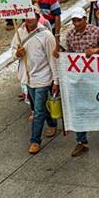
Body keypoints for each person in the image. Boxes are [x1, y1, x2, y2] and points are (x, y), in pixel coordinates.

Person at [61, 6, 99, 157]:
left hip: (96, 75)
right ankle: (81, 141)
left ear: (85, 19)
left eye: (78, 20)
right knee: (79, 107)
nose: (76, 23)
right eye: (74, 20)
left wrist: (96, 51)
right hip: (79, 77)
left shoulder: (96, 31)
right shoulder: (70, 35)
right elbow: (69, 55)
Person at [11, 14, 59, 154]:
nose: (29, 19)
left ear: (38, 18)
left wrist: (55, 80)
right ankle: (51, 123)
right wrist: (17, 54)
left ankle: (35, 140)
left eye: (33, 16)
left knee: (37, 111)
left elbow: (52, 59)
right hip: (27, 78)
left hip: (43, 78)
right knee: (41, 105)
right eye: (27, 16)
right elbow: (12, 51)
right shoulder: (19, 33)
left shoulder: (46, 36)